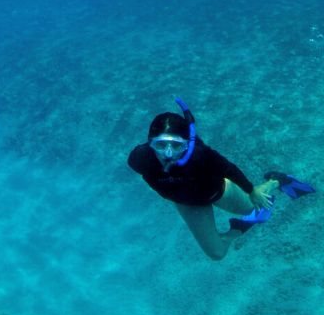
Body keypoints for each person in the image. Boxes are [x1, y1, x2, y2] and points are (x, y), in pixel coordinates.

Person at [127, 98, 314, 260]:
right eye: (160, 145)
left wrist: (252, 191)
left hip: (217, 191)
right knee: (217, 254)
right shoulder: (139, 159)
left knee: (251, 206)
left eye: (176, 146)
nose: (168, 154)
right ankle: (239, 228)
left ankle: (276, 181)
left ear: (187, 145)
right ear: (150, 142)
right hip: (186, 203)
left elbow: (230, 169)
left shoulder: (201, 155)